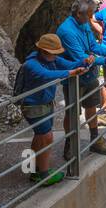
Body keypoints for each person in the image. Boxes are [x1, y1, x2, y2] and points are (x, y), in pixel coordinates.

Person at [15, 34, 91, 185]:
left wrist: (84, 61)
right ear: (43, 51)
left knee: (40, 136)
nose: (56, 56)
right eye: (54, 53)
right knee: (46, 136)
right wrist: (70, 73)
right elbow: (47, 75)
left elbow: (69, 65)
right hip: (33, 106)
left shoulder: (51, 59)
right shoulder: (31, 65)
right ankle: (43, 174)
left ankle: (32, 169)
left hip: (45, 104)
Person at [55, 0, 106, 156]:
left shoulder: (83, 23)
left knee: (91, 106)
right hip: (74, 78)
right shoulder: (66, 31)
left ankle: (94, 139)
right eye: (89, 14)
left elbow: (92, 46)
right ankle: (70, 144)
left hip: (89, 75)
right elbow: (82, 58)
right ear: (79, 13)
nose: (91, 18)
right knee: (72, 112)